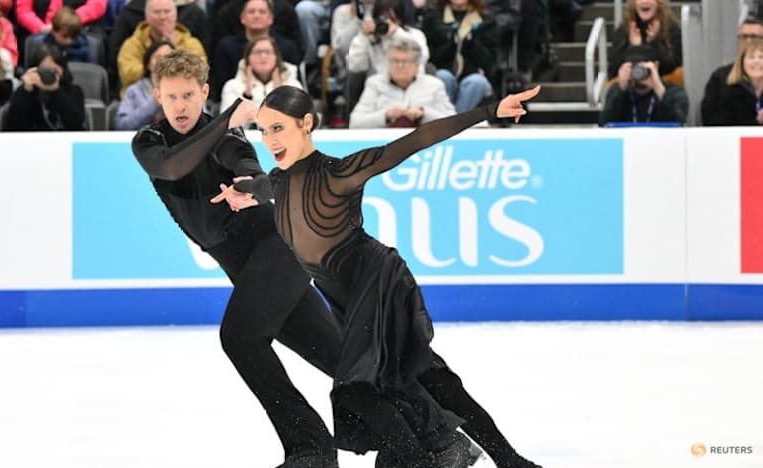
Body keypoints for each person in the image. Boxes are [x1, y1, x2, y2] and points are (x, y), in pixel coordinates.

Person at [234, 84, 543, 467]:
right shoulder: (279, 180)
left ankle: (420, 462)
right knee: (428, 377)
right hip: (345, 295)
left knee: (356, 389)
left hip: (377, 279)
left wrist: (489, 111)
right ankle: (511, 461)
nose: (269, 140)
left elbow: (416, 140)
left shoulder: (339, 173)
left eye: (278, 128)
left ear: (307, 123)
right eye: (262, 130)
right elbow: (267, 186)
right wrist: (245, 189)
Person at [131, 48, 343, 468]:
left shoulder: (226, 136)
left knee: (240, 339)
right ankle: (437, 435)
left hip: (277, 246)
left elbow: (249, 167)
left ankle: (312, 448)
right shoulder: (149, 142)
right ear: (157, 95)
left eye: (188, 95)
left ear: (204, 92)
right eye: (171, 97)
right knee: (337, 355)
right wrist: (227, 117)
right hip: (249, 267)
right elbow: (173, 168)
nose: (180, 106)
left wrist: (252, 183)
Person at [349, 36, 454, 128]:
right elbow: (354, 123)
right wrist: (386, 115)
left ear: (417, 65)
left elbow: (453, 123)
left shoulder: (434, 85)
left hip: (427, 144)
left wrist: (424, 114)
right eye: (395, 61)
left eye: (405, 62)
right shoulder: (374, 84)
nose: (399, 66)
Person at [209, 0, 300, 103]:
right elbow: (220, 86)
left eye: (262, 12)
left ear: (271, 18)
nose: (256, 16)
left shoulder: (287, 48)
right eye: (251, 12)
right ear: (242, 18)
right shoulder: (226, 46)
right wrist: (247, 91)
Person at [421, 0, 499, 112]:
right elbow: (430, 57)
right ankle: (450, 121)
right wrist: (452, 44)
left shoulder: (487, 21)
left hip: (474, 74)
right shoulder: (432, 18)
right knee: (443, 77)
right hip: (443, 71)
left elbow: (490, 62)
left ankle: (454, 123)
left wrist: (471, 43)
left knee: (476, 82)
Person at [117, 0, 206, 97]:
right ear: (146, 16)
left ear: (175, 15)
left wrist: (174, 50)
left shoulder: (191, 44)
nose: (162, 17)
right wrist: (151, 66)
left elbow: (200, 72)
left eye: (167, 12)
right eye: (157, 12)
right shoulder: (132, 44)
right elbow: (127, 75)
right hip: (142, 97)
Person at [599, 44, 687, 126]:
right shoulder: (620, 93)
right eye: (634, 69)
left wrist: (659, 89)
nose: (639, 75)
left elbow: (678, 122)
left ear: (655, 67)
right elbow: (604, 124)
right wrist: (620, 89)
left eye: (643, 69)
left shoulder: (674, 93)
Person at [6, 42, 86, 130]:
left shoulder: (74, 91)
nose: (49, 75)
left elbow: (76, 125)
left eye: (54, 70)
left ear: (63, 70)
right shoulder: (24, 92)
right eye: (45, 70)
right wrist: (26, 91)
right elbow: (14, 126)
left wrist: (56, 91)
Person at [701, 17, 763, 125]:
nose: (748, 41)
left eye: (754, 37)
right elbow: (710, 119)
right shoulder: (720, 78)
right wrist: (756, 122)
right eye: (744, 37)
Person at [219, 35, 303, 113]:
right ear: (248, 58)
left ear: (276, 57)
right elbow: (228, 124)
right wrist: (247, 95)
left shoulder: (293, 86)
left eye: (268, 52)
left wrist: (279, 93)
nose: (263, 56)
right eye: (257, 52)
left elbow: (298, 121)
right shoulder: (232, 86)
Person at [608, 0, 682, 86]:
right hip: (630, 90)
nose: (644, 1)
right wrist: (635, 48)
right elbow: (613, 69)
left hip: (663, 89)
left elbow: (672, 66)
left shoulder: (672, 29)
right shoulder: (625, 29)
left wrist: (654, 42)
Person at [115, 37, 172, 130]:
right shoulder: (134, 91)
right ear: (148, 64)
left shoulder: (188, 88)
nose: (164, 62)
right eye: (158, 58)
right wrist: (153, 102)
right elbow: (122, 125)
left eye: (169, 57)